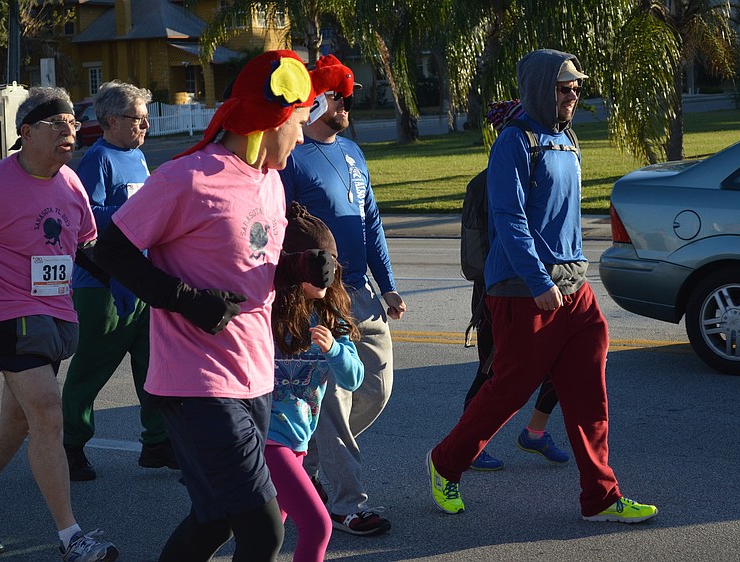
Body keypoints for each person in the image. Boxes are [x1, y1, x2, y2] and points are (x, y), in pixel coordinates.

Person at [92, 50, 335, 561]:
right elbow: (109, 248)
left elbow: (252, 266)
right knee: (264, 531)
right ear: (273, 118)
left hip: (255, 375)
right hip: (195, 384)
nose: (302, 131)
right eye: (299, 119)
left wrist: (298, 269)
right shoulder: (188, 178)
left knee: (215, 520)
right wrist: (184, 300)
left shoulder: (269, 181)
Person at [426, 49, 658, 524]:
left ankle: (601, 496)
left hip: (574, 288)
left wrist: (574, 271)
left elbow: (562, 218)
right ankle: (444, 463)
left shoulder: (568, 139)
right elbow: (509, 220)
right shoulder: (514, 141)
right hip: (522, 289)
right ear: (538, 89)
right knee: (509, 390)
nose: (574, 93)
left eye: (577, 87)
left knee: (589, 394)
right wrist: (537, 281)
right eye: (564, 86)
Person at [0, 86, 119, 560]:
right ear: (25, 132)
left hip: (55, 314)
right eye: (56, 123)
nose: (69, 131)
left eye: (73, 124)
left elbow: (89, 247)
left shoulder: (70, 183)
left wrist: (131, 288)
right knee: (46, 412)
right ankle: (71, 537)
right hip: (3, 310)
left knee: (17, 418)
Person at [280, 54, 407, 536]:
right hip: (322, 296)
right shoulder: (292, 156)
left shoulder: (353, 151)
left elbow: (370, 221)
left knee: (376, 386)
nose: (347, 103)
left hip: (364, 292)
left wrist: (388, 283)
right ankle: (346, 502)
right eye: (338, 96)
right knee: (333, 403)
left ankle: (310, 458)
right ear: (315, 101)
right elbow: (282, 227)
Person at [61, 80, 177, 482]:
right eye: (138, 119)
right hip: (104, 286)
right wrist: (134, 208)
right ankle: (70, 447)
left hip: (142, 282)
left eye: (146, 119)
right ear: (112, 120)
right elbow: (85, 220)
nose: (145, 127)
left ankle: (157, 443)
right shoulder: (98, 159)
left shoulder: (138, 158)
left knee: (153, 367)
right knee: (91, 370)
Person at [465, 100, 568, 472]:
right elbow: (490, 241)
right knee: (495, 371)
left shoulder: (544, 171)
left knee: (563, 362)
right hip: (503, 288)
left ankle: (535, 432)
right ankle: (469, 443)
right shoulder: (490, 181)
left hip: (545, 280)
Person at [267, 202, 364, 562]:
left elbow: (353, 379)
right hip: (266, 438)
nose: (326, 277)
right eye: (317, 270)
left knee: (270, 531)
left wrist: (336, 350)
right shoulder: (268, 313)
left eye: (331, 268)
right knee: (318, 526)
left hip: (298, 440)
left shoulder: (330, 315)